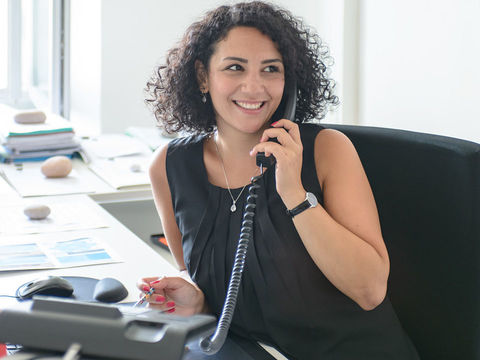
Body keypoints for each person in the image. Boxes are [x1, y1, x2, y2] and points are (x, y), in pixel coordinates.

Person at [139, 2, 420, 359]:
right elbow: (228, 285)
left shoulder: (327, 151)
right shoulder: (169, 167)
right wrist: (201, 300)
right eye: (235, 67)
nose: (254, 86)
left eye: (271, 69)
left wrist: (295, 194)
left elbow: (369, 290)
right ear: (202, 77)